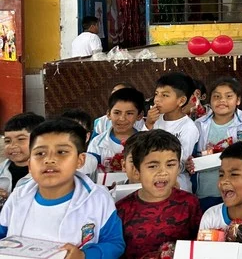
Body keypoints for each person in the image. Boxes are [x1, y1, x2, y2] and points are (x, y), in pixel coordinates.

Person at [0, 118, 125, 259]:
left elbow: (114, 244)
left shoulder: (98, 199)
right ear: (30, 164)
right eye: (40, 153)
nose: (49, 160)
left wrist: (84, 255)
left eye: (61, 152)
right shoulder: (18, 196)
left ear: (80, 160)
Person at [115, 130, 202, 259]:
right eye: (153, 166)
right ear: (137, 170)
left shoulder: (189, 203)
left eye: (170, 164)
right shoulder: (122, 209)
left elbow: (198, 247)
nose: (163, 172)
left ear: (179, 168)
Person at [194, 77, 242, 210]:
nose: (222, 101)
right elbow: (192, 156)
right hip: (206, 191)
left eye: (229, 96)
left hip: (238, 190)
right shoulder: (199, 125)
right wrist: (191, 161)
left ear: (238, 100)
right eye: (217, 96)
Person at [149, 72, 200, 192]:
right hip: (152, 180)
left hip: (178, 185)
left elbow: (180, 162)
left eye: (165, 95)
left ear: (181, 101)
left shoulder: (188, 127)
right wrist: (149, 125)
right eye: (156, 94)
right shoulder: (154, 120)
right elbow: (139, 148)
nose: (157, 100)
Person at [87, 88, 146, 172]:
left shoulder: (146, 142)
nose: (122, 118)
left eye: (129, 113)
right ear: (108, 114)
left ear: (139, 116)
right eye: (117, 113)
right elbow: (89, 172)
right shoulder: (97, 143)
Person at [0, 112, 44, 196]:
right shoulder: (1, 170)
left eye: (20, 139)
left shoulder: (49, 173)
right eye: (7, 141)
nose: (12, 145)